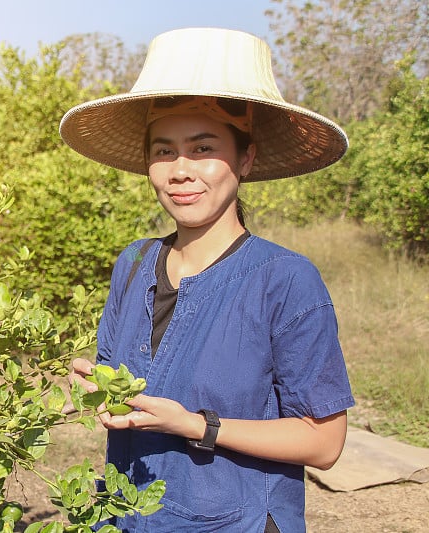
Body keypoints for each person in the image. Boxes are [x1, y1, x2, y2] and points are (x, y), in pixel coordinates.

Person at [60, 27, 355, 532]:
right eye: (163, 150)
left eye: (202, 149)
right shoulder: (133, 263)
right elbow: (121, 385)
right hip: (127, 517)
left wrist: (194, 425)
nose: (179, 171)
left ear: (245, 158)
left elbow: (324, 443)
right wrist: (94, 391)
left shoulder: (284, 279)